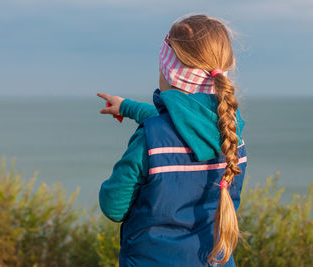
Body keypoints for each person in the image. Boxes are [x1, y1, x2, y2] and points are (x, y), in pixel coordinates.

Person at [97, 14, 248, 267]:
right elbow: (184, 124)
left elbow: (113, 206)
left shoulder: (150, 140)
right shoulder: (233, 136)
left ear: (169, 72)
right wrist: (127, 107)